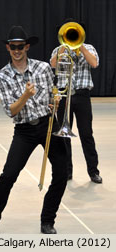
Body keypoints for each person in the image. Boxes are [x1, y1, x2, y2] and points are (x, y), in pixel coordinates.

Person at [0, 26, 68, 234]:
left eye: (20, 46)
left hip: (48, 125)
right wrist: (25, 97)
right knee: (8, 175)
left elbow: (51, 95)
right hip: (24, 131)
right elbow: (11, 111)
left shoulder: (44, 68)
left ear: (27, 47)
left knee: (62, 174)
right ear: (8, 48)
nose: (17, 50)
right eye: (13, 47)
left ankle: (48, 220)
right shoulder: (2, 76)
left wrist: (54, 101)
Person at [50, 19, 102, 184]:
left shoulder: (89, 48)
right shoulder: (59, 49)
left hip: (82, 95)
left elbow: (94, 63)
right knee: (64, 135)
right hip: (65, 96)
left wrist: (80, 46)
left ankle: (93, 171)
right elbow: (52, 64)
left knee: (87, 134)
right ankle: (67, 171)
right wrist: (63, 49)